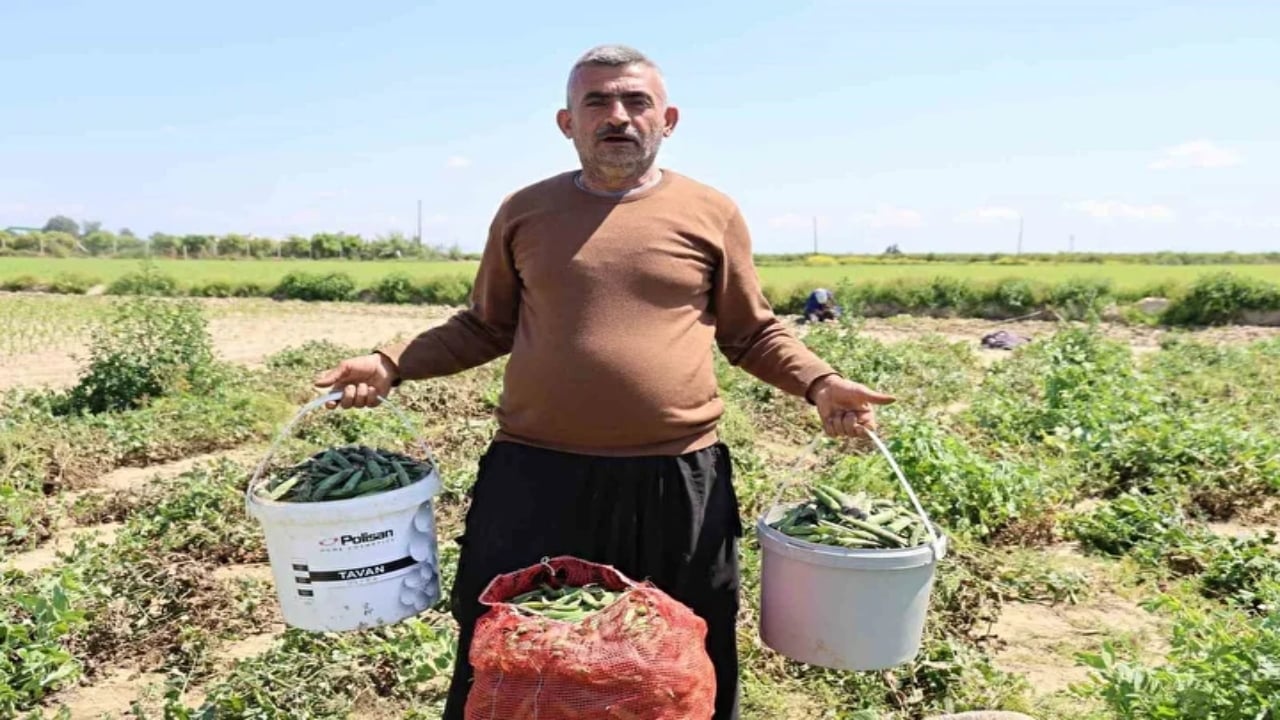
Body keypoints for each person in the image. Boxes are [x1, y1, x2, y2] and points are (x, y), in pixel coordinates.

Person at [313, 44, 895, 720]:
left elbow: (751, 332)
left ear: (667, 118)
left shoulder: (710, 212)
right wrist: (391, 363)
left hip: (676, 481)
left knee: (685, 654)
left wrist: (820, 382)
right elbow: (483, 326)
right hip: (535, 478)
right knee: (510, 652)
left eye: (635, 102)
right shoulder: (526, 212)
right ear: (568, 122)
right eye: (598, 102)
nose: (617, 116)